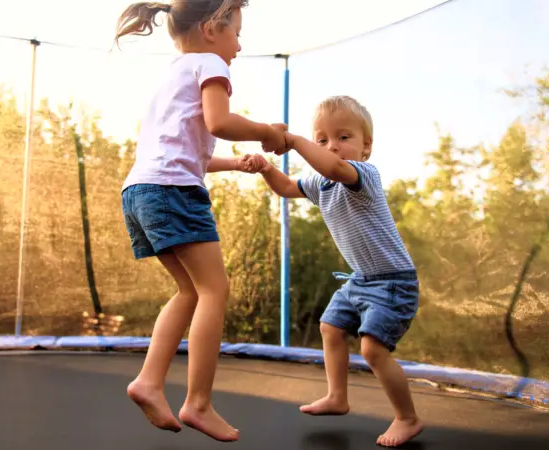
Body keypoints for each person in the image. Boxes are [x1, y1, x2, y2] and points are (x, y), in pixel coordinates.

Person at [113, 0, 287, 443]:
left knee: (190, 290)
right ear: (212, 28)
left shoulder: (172, 74)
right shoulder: (211, 62)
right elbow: (220, 120)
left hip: (140, 192)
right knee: (215, 290)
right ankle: (198, 402)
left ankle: (149, 382)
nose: (240, 45)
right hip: (172, 192)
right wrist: (267, 131)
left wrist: (236, 164)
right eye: (236, 33)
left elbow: (195, 155)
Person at [247, 95, 424, 447]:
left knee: (373, 350)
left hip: (392, 282)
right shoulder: (319, 184)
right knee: (330, 327)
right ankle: (337, 397)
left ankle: (408, 418)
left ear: (366, 147)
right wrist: (268, 169)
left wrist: (297, 141)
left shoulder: (363, 175)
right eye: (323, 139)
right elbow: (286, 187)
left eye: (343, 138)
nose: (332, 147)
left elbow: (332, 167)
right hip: (359, 280)